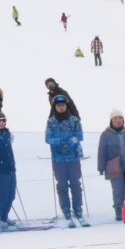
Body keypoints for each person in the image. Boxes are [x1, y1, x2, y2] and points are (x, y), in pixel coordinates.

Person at [46, 96, 88, 227]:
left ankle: (78, 209)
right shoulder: (51, 121)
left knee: (76, 184)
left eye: (63, 105)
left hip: (73, 157)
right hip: (58, 159)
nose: (61, 107)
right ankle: (66, 210)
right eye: (58, 105)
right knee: (62, 184)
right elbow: (48, 138)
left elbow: (80, 135)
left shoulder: (74, 120)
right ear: (55, 107)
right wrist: (59, 142)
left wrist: (71, 141)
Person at [97, 110, 125, 221]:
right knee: (118, 190)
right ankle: (118, 211)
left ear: (123, 120)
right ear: (111, 120)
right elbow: (101, 151)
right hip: (114, 167)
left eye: (120, 118)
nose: (118, 120)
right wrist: (101, 167)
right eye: (115, 118)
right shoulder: (105, 134)